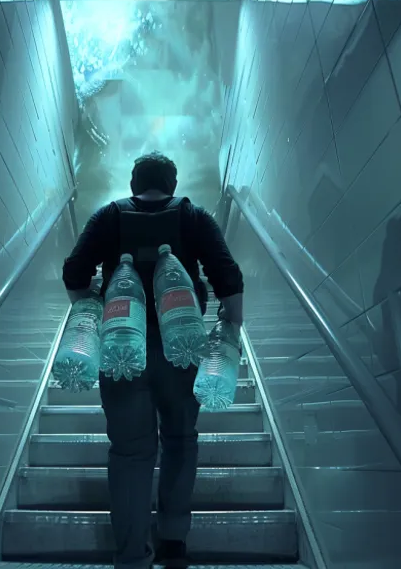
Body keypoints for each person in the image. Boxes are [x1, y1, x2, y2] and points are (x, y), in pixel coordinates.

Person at [62, 151, 244, 569]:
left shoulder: (109, 217)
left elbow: (74, 272)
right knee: (180, 441)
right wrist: (230, 331)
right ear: (172, 185)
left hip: (121, 348)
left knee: (129, 452)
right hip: (182, 350)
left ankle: (130, 556)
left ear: (132, 185)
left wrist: (91, 310)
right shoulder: (192, 216)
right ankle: (174, 540)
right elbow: (227, 275)